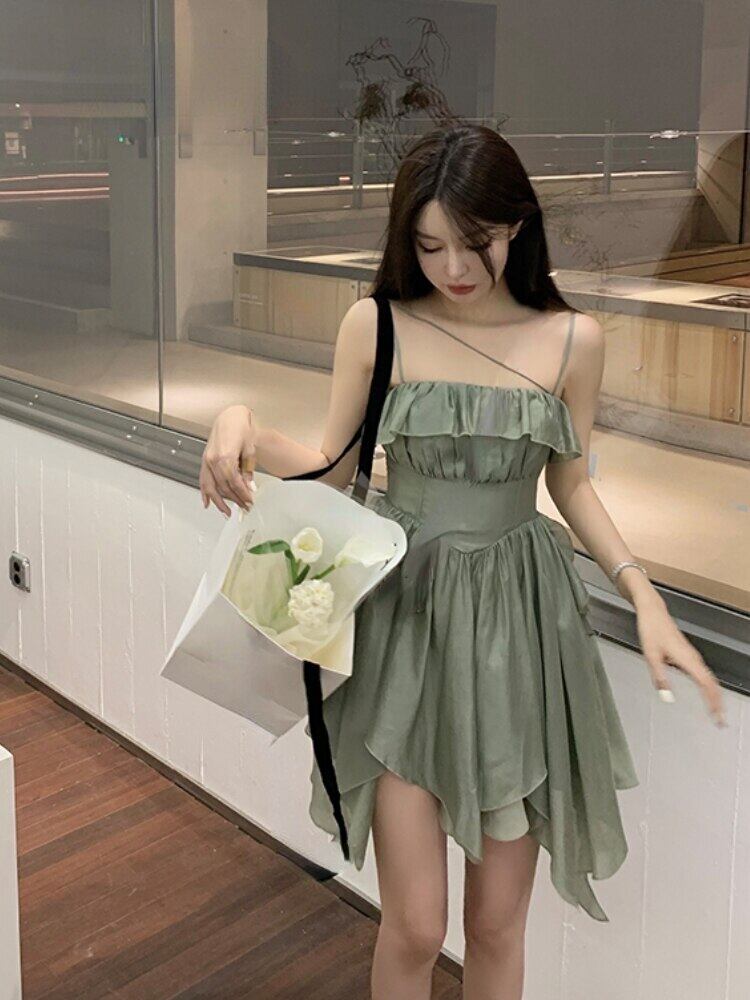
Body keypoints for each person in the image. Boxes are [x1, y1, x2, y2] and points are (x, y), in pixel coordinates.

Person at [199, 124, 726, 1000]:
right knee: (414, 925)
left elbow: (570, 482)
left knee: (494, 925)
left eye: (475, 242)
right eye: (429, 244)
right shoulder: (376, 324)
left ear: (516, 225)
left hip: (519, 627)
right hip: (405, 619)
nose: (452, 267)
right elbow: (332, 463)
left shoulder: (574, 340)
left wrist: (643, 594)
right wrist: (240, 420)